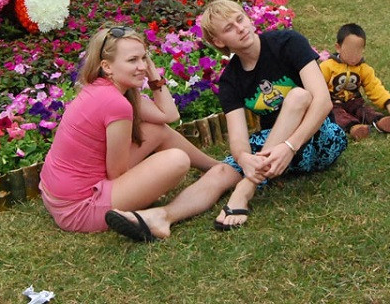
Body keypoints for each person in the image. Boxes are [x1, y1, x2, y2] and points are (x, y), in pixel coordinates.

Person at [39, 25, 242, 240]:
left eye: (144, 58)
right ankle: (170, 209)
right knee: (176, 160)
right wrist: (152, 176)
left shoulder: (104, 88)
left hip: (56, 196)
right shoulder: (115, 103)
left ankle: (218, 167)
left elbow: (169, 116)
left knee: (156, 130)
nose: (142, 66)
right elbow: (116, 173)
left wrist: (153, 74)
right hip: (80, 208)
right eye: (132, 60)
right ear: (107, 66)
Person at [199, 0, 347, 230]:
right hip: (272, 154)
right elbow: (238, 139)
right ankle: (161, 217)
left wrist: (289, 146)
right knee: (221, 171)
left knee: (299, 96)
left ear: (248, 18)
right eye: (229, 28)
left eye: (240, 19)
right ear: (219, 41)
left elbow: (322, 102)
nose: (239, 28)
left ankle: (245, 189)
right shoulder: (230, 80)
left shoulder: (288, 42)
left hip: (320, 138)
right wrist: (244, 159)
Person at [318, 23, 390, 140]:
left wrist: (388, 101)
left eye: (358, 51)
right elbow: (317, 85)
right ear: (338, 47)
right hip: (333, 103)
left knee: (365, 110)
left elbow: (374, 86)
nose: (354, 56)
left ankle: (381, 121)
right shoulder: (327, 67)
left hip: (354, 101)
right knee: (337, 115)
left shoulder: (363, 69)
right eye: (350, 51)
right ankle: (354, 128)